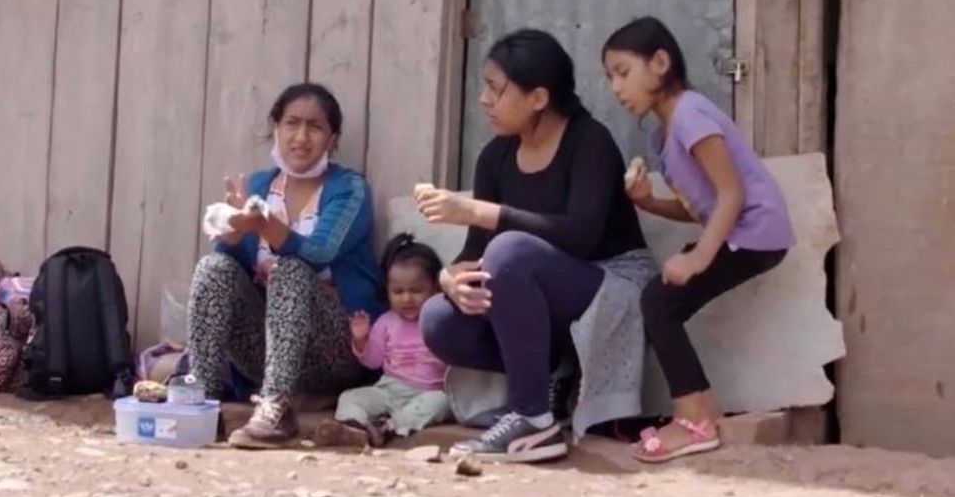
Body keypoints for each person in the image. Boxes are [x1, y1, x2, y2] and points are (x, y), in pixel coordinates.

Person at [416, 29, 651, 463]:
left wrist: (479, 211)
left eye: (496, 88)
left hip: (610, 283)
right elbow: (476, 248)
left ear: (538, 98)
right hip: (539, 299)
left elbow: (580, 235)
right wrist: (450, 279)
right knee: (438, 319)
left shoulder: (589, 142)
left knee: (509, 253)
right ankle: (550, 379)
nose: (484, 99)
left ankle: (533, 421)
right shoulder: (495, 157)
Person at [603, 16, 795, 463]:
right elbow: (701, 207)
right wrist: (649, 203)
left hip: (756, 232)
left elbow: (732, 193)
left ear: (661, 62)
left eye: (622, 72)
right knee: (662, 302)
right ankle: (700, 411)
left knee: (659, 301)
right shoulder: (663, 133)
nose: (615, 87)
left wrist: (698, 258)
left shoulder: (690, 114)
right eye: (609, 77)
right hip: (742, 232)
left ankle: (693, 421)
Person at [186, 83, 384, 450]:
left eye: (315, 127)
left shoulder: (349, 188)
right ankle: (201, 402)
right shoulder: (260, 185)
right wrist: (230, 235)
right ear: (276, 128)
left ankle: (277, 406)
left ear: (332, 138)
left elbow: (319, 252)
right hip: (266, 348)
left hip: (337, 348)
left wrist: (263, 224)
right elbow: (231, 271)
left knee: (292, 270)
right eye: (292, 123)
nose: (301, 137)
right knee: (212, 268)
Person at [314, 233, 451, 448]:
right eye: (398, 291)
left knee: (441, 403)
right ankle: (356, 428)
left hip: (427, 393)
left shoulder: (438, 320)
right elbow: (373, 361)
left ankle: (387, 427)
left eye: (416, 291)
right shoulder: (386, 322)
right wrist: (361, 341)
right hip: (389, 390)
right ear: (387, 291)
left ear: (436, 288)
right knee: (349, 398)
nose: (407, 298)